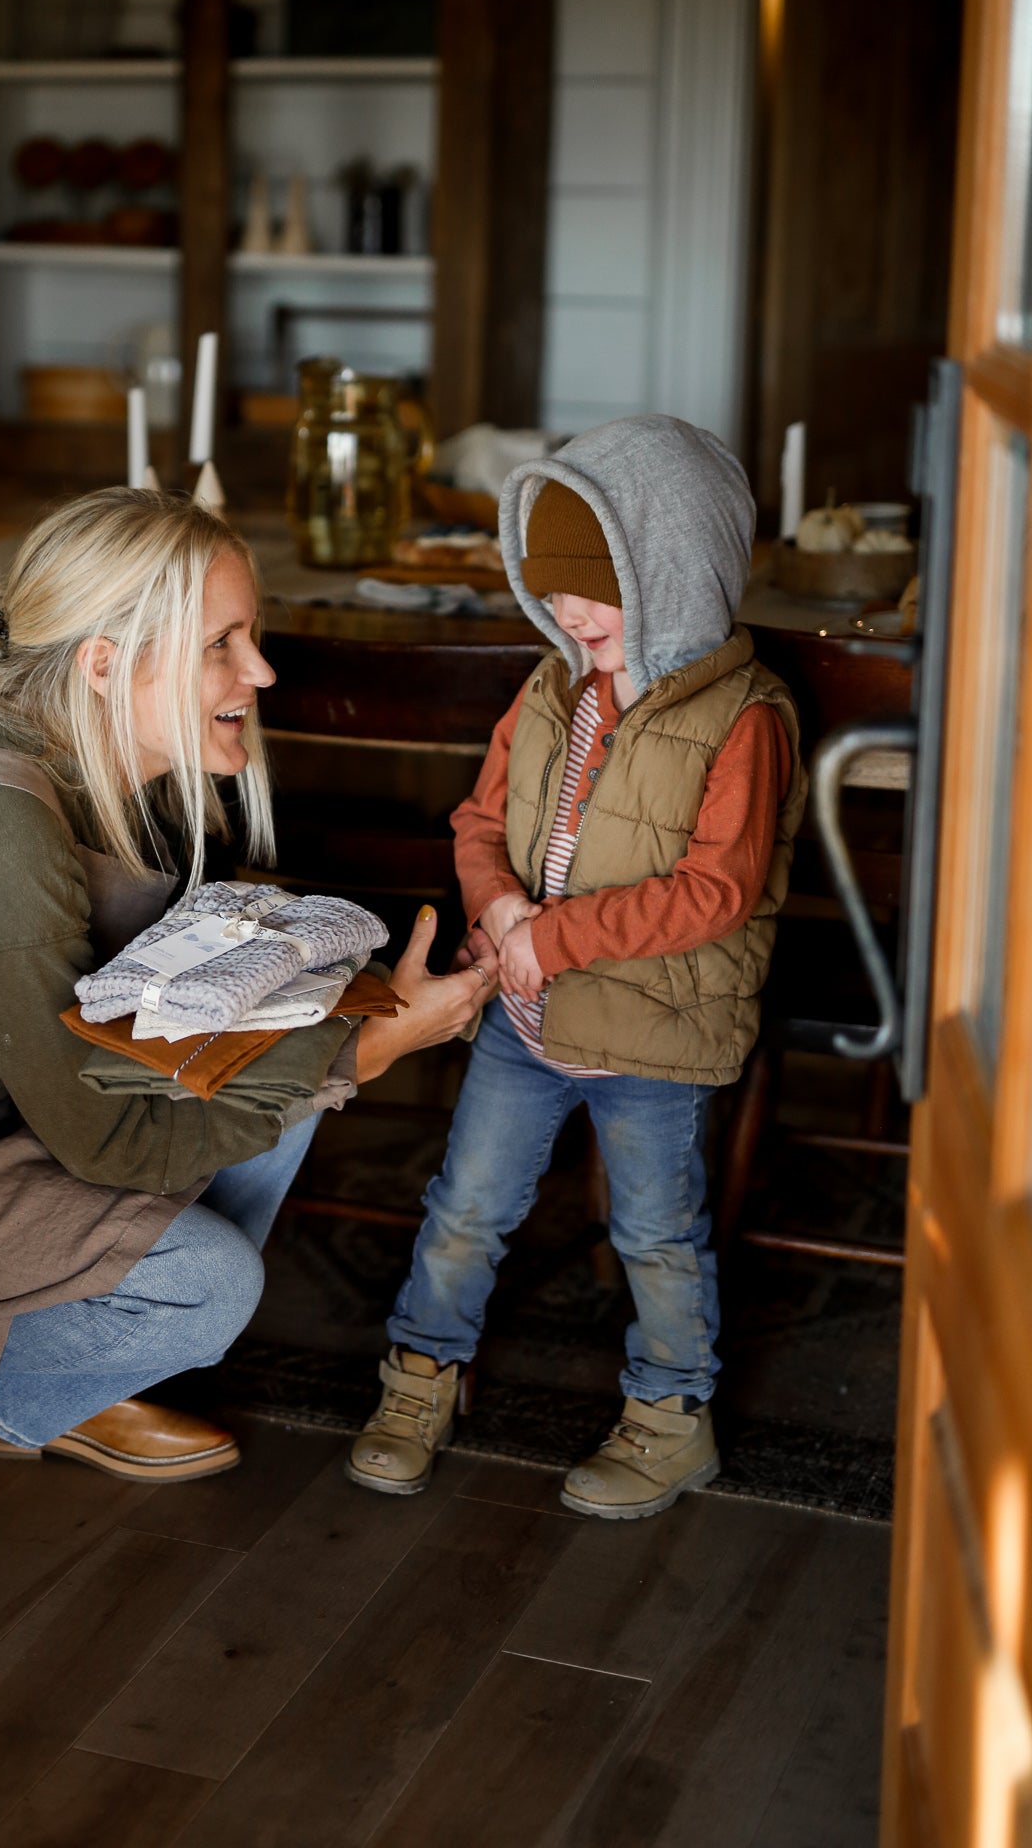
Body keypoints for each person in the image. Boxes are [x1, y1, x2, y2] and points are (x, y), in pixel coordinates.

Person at [0, 489, 488, 1534]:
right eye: (222, 644)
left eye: (249, 636)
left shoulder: (88, 751)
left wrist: (337, 1010)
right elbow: (111, 1135)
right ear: (106, 664)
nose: (258, 672)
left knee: (298, 1068)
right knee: (210, 1285)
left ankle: (57, 1372)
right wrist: (380, 1046)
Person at [346, 415, 809, 1519]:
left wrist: (546, 937)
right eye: (550, 589)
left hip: (654, 1034)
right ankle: (421, 1375)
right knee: (465, 1204)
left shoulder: (747, 717)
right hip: (526, 1018)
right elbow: (479, 820)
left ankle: (671, 1414)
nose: (567, 613)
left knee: (653, 1228)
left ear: (677, 573)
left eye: (597, 589)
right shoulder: (550, 688)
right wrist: (500, 903)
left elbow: (716, 890)